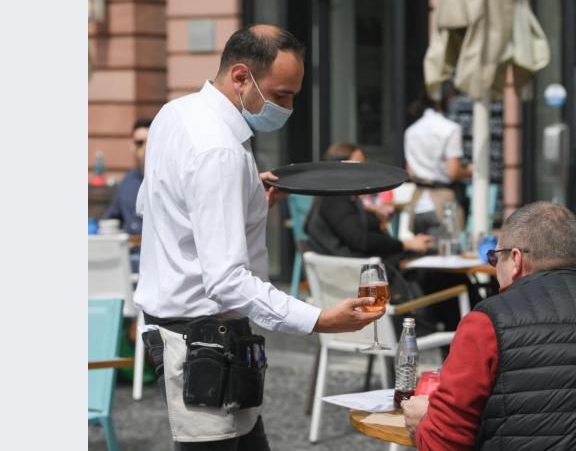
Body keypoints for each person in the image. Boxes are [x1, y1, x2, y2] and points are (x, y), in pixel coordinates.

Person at [134, 25, 384, 450]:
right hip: (203, 340)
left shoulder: (174, 114)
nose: (287, 107)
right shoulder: (221, 150)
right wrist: (319, 319)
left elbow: (156, 207)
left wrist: (247, 201)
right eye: (281, 94)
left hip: (193, 333)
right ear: (240, 77)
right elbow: (227, 281)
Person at [402, 202, 576, 450]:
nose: (495, 267)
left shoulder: (487, 325)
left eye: (495, 258)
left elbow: (446, 443)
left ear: (515, 259)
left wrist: (422, 423)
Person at [305, 142, 433, 260]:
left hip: (368, 265)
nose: (364, 170)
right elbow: (362, 240)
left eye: (364, 163)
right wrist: (405, 244)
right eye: (358, 164)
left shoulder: (345, 197)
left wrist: (374, 216)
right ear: (338, 168)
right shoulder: (334, 199)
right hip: (359, 272)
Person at [404, 84, 473, 235]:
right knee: (445, 256)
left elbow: (409, 170)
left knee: (420, 256)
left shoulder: (411, 130)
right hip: (442, 204)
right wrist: (469, 170)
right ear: (445, 100)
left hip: (417, 204)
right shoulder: (450, 128)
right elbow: (453, 171)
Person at [101, 118, 151, 236]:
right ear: (132, 146)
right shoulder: (128, 180)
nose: (144, 148)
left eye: (149, 142)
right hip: (127, 249)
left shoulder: (166, 178)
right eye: (139, 143)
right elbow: (112, 215)